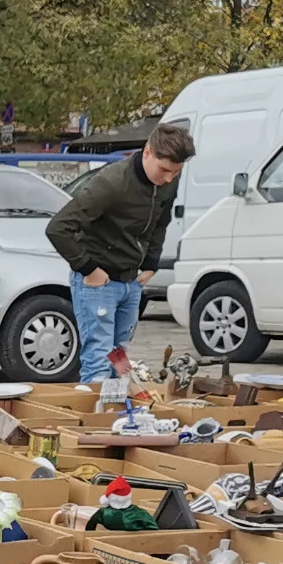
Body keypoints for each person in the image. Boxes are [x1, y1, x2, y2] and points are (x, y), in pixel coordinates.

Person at [46, 122, 193, 383]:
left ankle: (117, 417)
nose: (169, 178)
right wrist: (88, 268)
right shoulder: (111, 182)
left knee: (120, 359)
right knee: (99, 361)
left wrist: (151, 262)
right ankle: (96, 418)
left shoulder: (169, 180)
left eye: (176, 171)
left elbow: (161, 219)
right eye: (164, 170)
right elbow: (58, 228)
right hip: (98, 282)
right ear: (147, 152)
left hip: (131, 280)